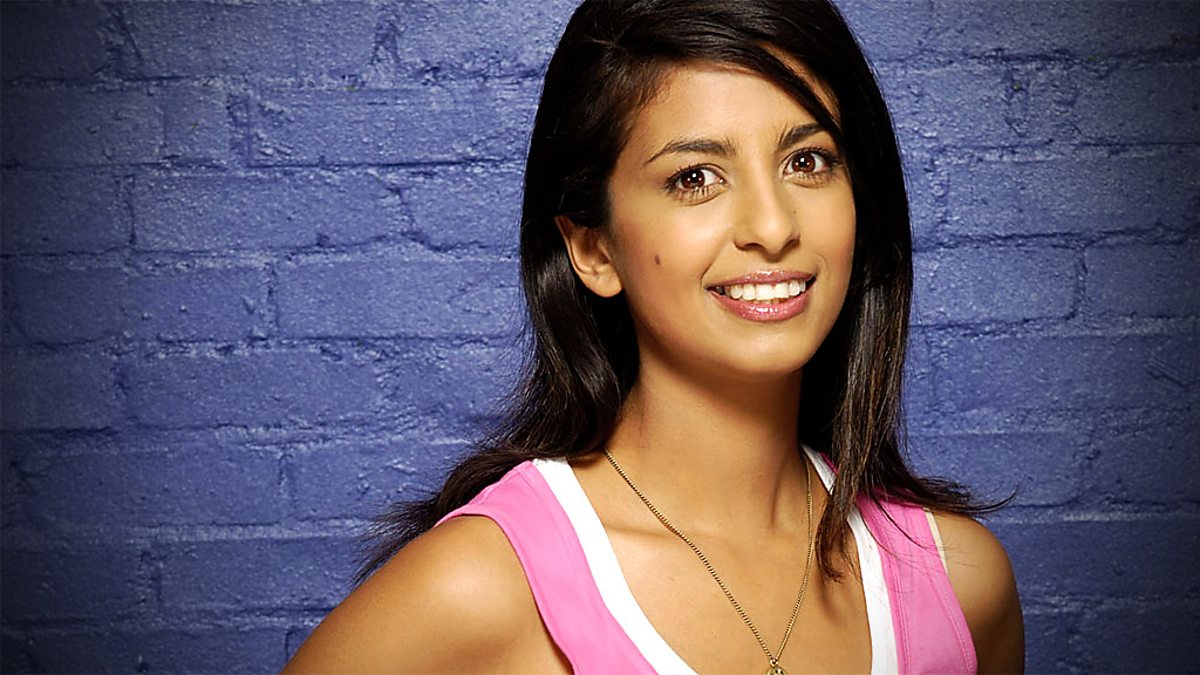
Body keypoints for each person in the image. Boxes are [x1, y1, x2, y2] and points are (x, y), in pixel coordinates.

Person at [284, 0, 1024, 672]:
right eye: (695, 177)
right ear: (593, 250)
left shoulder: (964, 585)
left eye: (807, 162)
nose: (773, 227)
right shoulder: (482, 588)